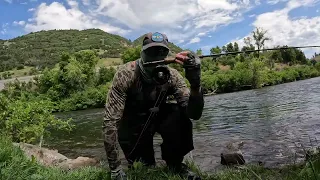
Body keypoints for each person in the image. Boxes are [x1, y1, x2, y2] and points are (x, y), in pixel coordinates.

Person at [102, 32, 204, 180]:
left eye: (162, 52)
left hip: (159, 117)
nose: (157, 57)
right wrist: (115, 169)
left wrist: (195, 85)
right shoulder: (126, 75)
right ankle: (136, 162)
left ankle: (176, 164)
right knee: (144, 167)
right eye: (151, 52)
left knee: (178, 113)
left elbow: (194, 115)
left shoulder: (173, 76)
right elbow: (110, 123)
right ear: (142, 54)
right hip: (133, 124)